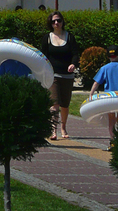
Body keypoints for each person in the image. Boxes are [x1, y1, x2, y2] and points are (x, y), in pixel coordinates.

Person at [41, 11, 80, 140]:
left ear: (63, 22)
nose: (56, 23)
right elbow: (43, 56)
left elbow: (75, 53)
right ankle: (53, 130)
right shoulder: (47, 38)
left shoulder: (69, 37)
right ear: (50, 24)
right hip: (53, 75)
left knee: (65, 104)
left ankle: (63, 127)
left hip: (67, 76)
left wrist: (73, 64)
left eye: (58, 20)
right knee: (54, 103)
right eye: (53, 21)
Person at [90, 45, 118, 149]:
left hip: (109, 97)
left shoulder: (104, 68)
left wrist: (91, 94)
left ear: (108, 56)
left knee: (111, 120)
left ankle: (113, 141)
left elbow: (96, 83)